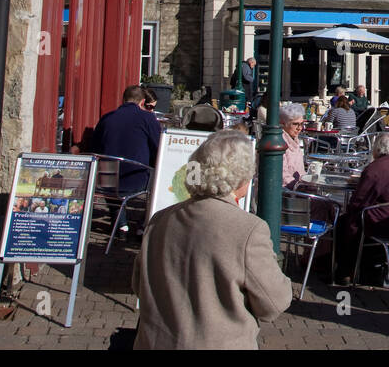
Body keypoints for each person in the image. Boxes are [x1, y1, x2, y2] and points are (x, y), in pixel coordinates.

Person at [133, 130, 292, 348]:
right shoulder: (248, 229)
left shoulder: (159, 219)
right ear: (243, 177)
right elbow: (274, 302)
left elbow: (137, 284)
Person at [337, 133, 389, 284]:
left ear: (377, 150)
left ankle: (345, 271)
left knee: (345, 221)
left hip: (388, 224)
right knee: (357, 217)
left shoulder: (376, 168)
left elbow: (359, 201)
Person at [91, 85, 163, 233]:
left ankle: (121, 224)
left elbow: (95, 147)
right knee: (159, 176)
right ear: (142, 102)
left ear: (123, 100)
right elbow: (159, 147)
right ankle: (144, 224)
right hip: (135, 179)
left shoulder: (107, 118)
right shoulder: (148, 118)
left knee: (108, 172)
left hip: (107, 180)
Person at [277, 103, 307, 188]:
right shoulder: (279, 142)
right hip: (285, 192)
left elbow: (300, 171)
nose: (299, 128)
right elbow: (283, 176)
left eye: (301, 124)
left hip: (298, 187)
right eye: (295, 124)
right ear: (283, 123)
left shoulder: (295, 140)